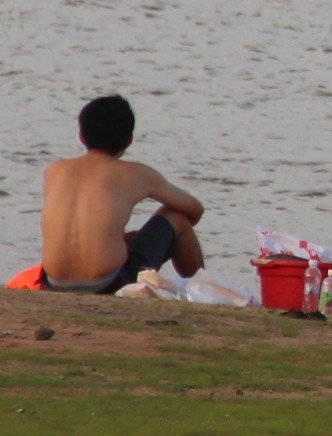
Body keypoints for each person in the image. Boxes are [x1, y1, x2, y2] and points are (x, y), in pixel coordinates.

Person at [39, 95, 206, 293]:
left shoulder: (54, 170)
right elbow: (194, 209)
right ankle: (203, 290)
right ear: (129, 141)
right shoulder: (136, 173)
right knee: (176, 217)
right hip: (109, 284)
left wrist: (117, 239)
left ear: (81, 136)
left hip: (53, 284)